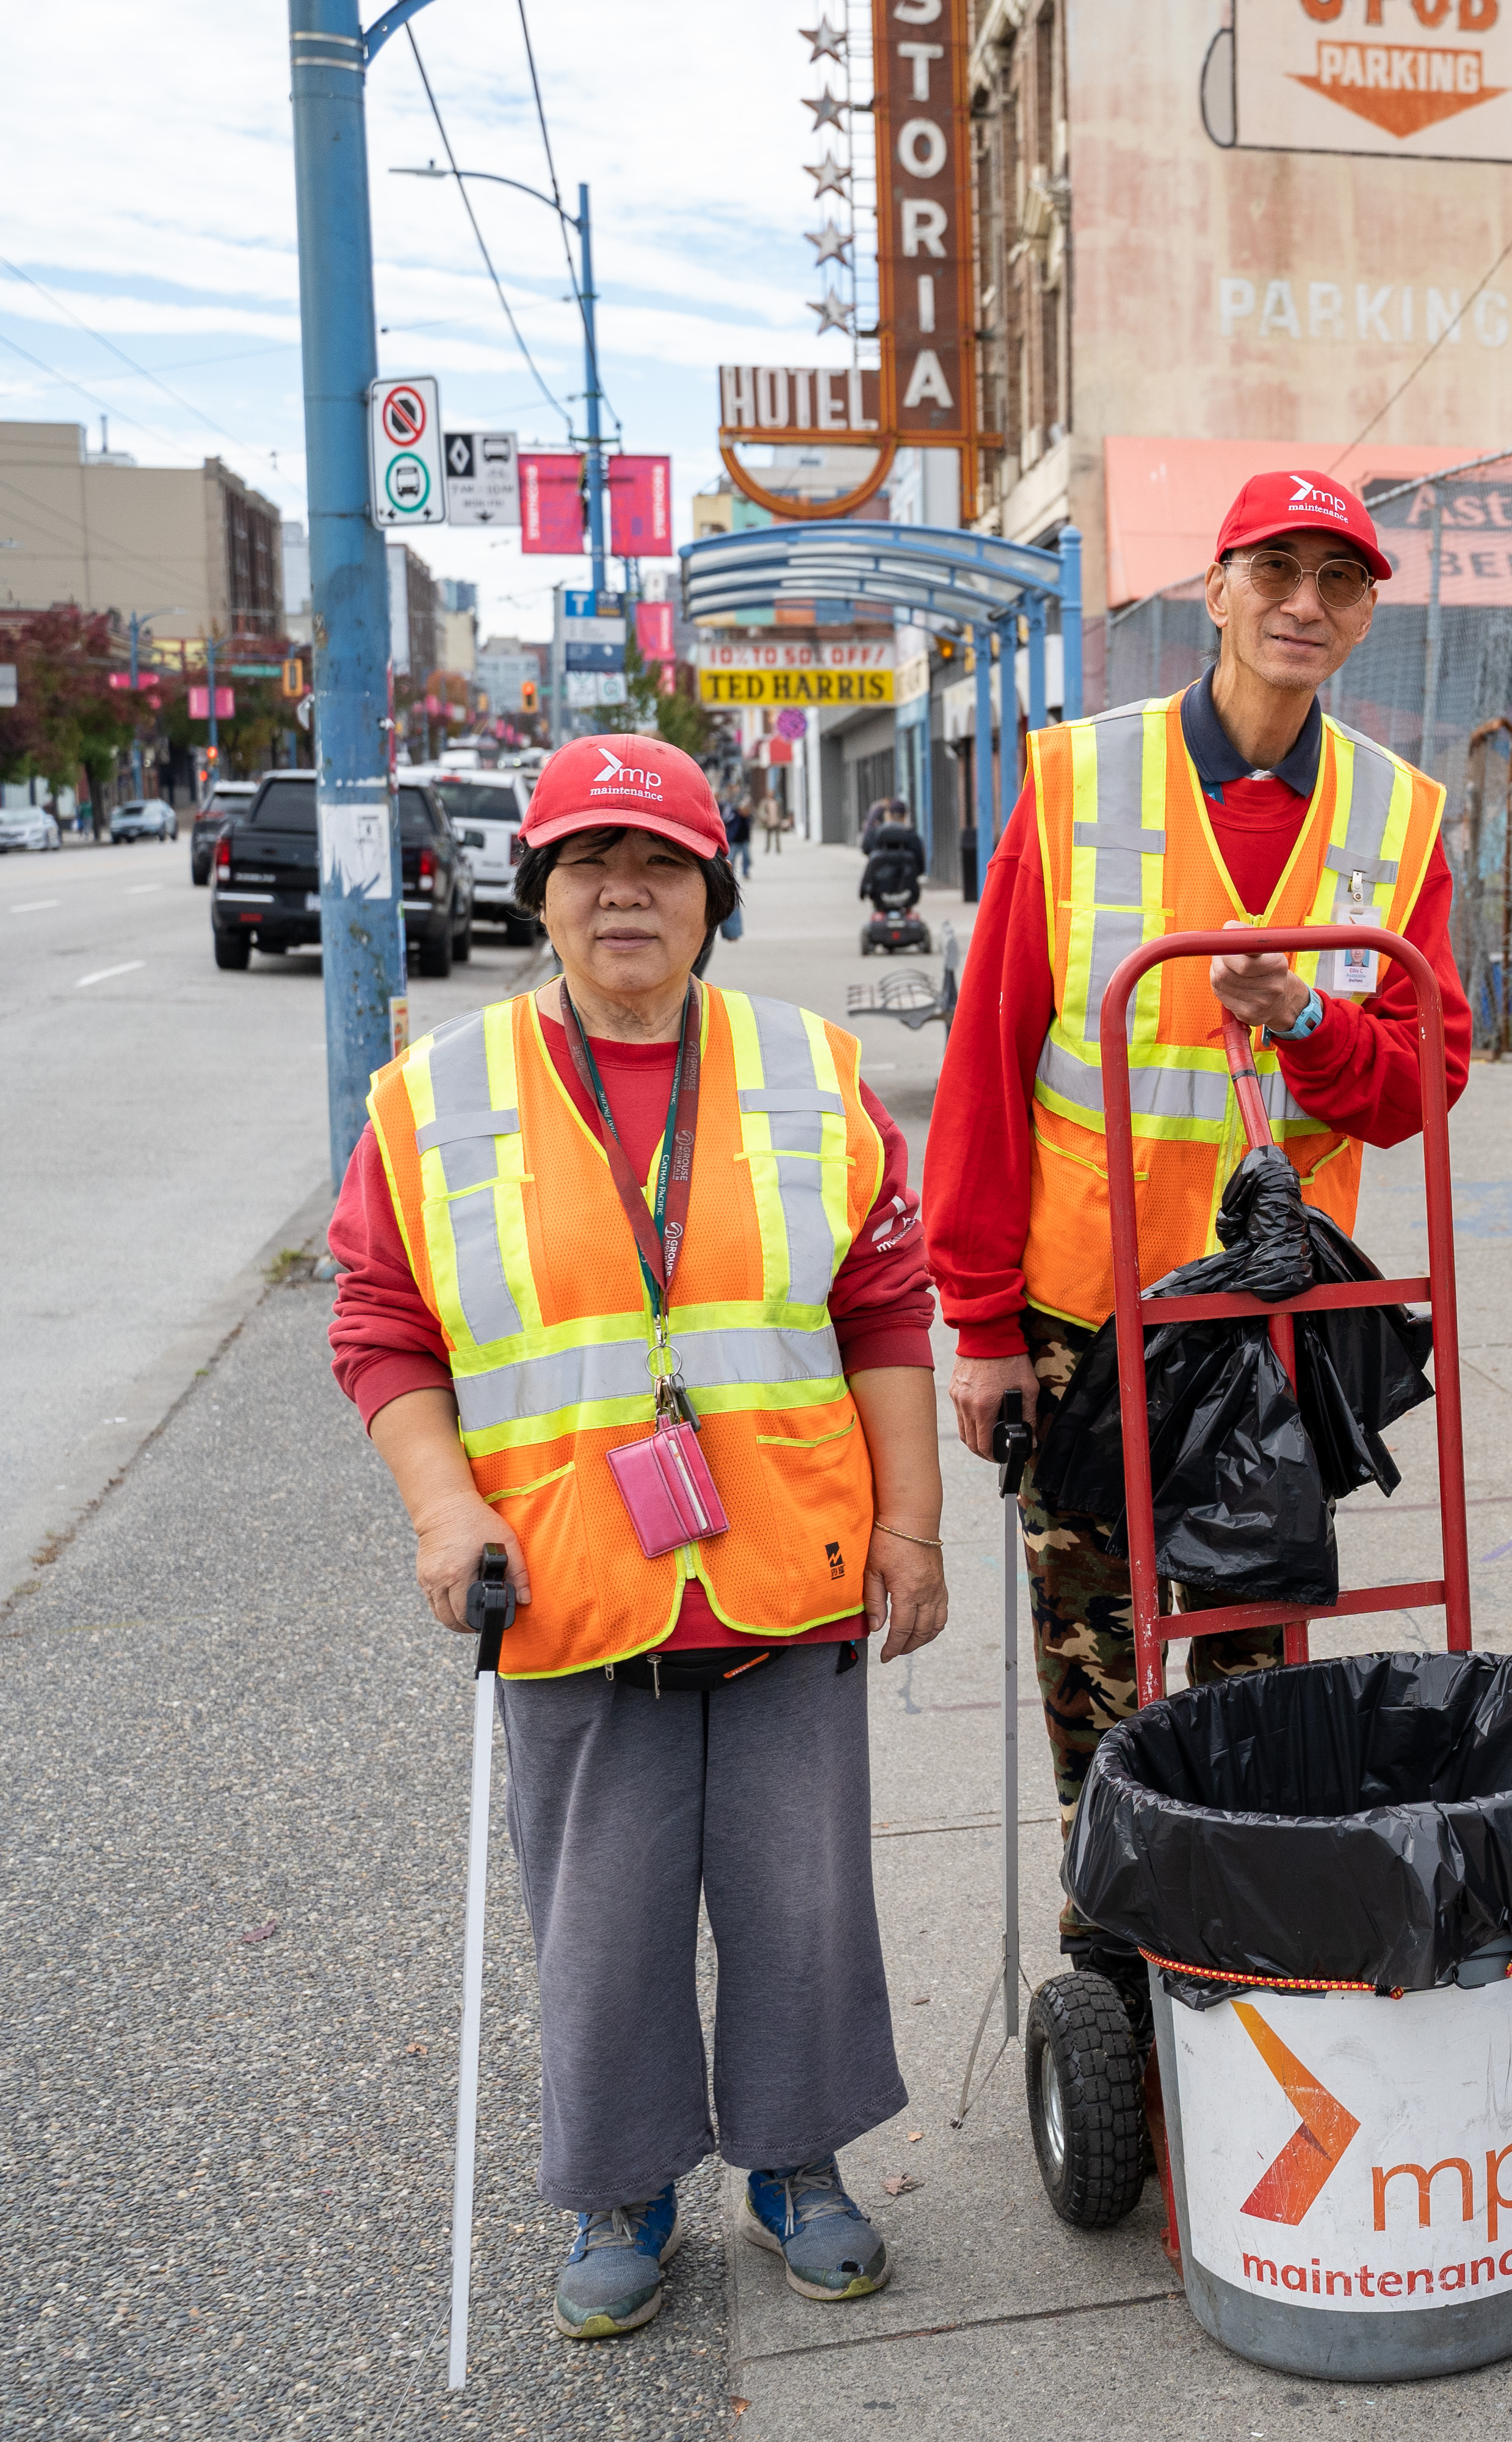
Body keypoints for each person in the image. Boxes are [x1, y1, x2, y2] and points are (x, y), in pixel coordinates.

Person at [328, 733, 949, 2341]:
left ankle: (800, 2165)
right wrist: (441, 1504)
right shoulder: (433, 1097)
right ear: (539, 891)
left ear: (713, 898)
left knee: (803, 1898)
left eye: (663, 864)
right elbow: (383, 1325)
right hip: (568, 1585)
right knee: (598, 1920)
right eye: (590, 862)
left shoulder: (811, 1071)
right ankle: (624, 2185)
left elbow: (885, 1305)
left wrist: (914, 1528)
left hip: (785, 1572)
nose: (625, 890)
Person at [924, 467, 1472, 1971]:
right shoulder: (1081, 780)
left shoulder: (1397, 813)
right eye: (1276, 571)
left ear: (1366, 612)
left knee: (1248, 1668)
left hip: (1266, 1332)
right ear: (1215, 586)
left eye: (1340, 580)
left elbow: (1425, 1079)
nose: (1306, 603)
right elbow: (986, 1057)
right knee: (1099, 1665)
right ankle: (1111, 1957)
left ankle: (1234, 1941)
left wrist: (1305, 1019)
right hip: (1083, 1321)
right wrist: (977, 1325)